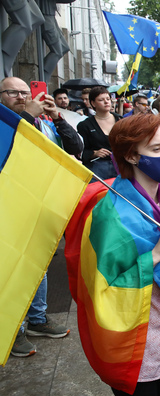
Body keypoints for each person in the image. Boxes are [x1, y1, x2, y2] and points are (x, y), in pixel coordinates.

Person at [67, 113, 160, 396]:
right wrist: (154, 256)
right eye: (156, 150)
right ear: (130, 155)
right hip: (139, 343)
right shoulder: (109, 213)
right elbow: (103, 289)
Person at [1, 76, 78, 358]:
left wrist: (57, 118)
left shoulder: (43, 124)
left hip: (37, 206)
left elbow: (74, 148)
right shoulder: (5, 125)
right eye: (13, 93)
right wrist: (25, 115)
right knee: (12, 268)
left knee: (37, 263)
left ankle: (37, 319)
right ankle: (13, 329)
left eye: (26, 92)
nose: (22, 97)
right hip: (8, 208)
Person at [77, 86, 121, 180]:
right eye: (101, 100)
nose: (106, 102)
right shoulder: (85, 125)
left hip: (121, 167)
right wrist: (94, 153)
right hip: (98, 170)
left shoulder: (121, 120)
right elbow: (80, 151)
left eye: (108, 99)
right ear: (93, 103)